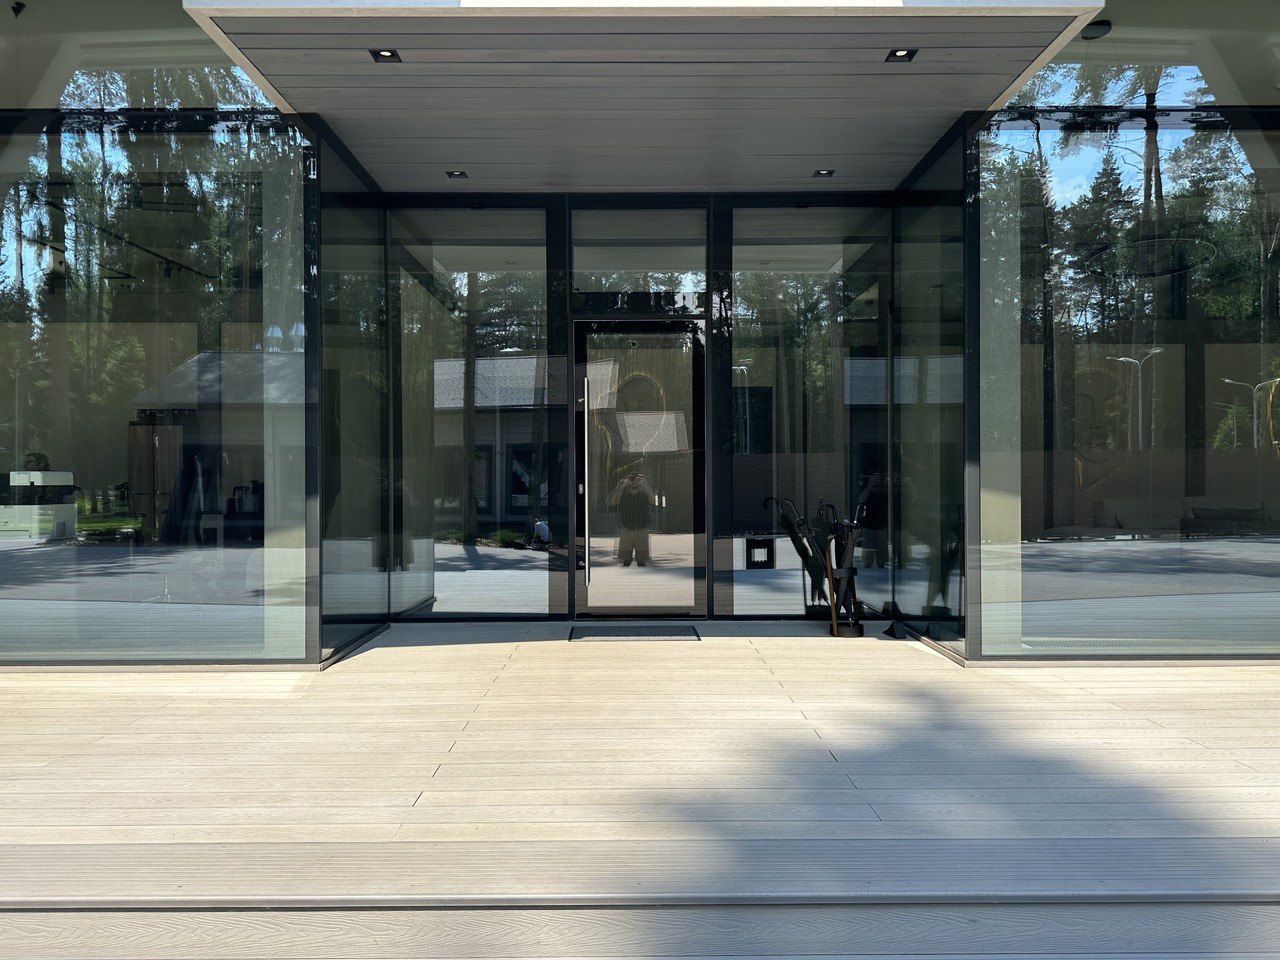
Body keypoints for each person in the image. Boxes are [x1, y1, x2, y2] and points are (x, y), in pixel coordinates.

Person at [607, 472, 653, 567]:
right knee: (626, 561)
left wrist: (645, 486)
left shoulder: (643, 493)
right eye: (631, 479)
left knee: (641, 561)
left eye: (636, 479)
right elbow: (614, 501)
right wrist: (622, 486)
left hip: (642, 529)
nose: (634, 482)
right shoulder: (623, 494)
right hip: (626, 529)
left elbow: (652, 500)